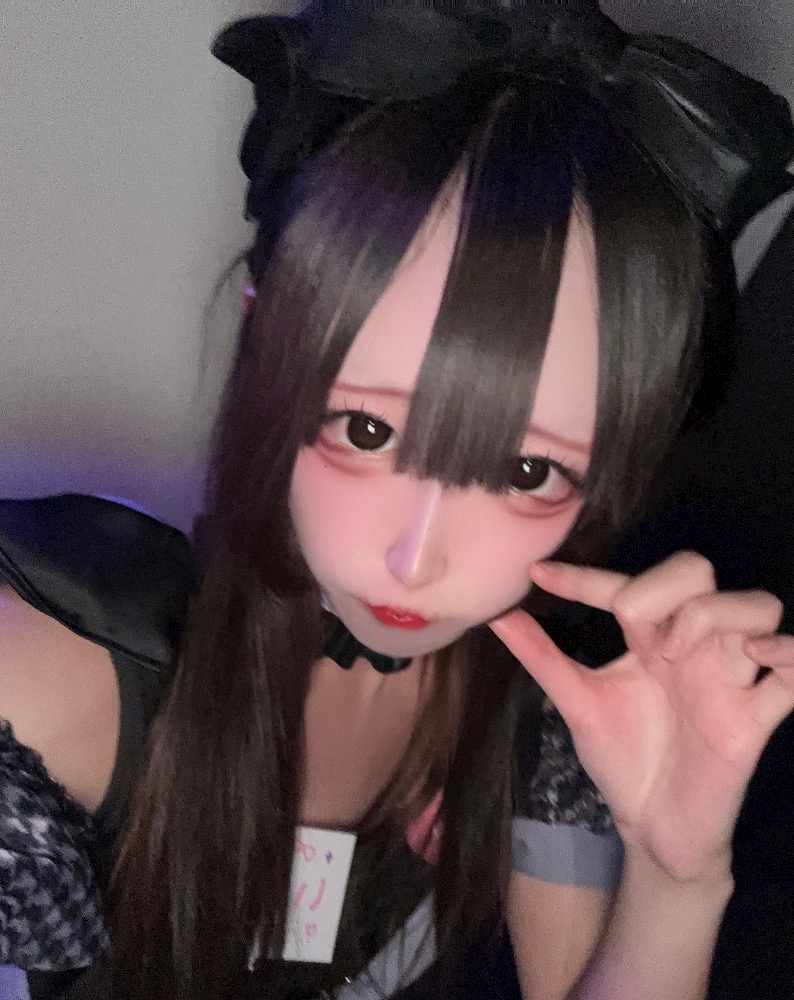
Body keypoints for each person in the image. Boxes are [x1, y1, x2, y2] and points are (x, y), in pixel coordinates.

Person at [1, 4, 793, 1000]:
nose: (416, 561)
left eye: (528, 473)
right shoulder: (59, 673)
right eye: (367, 431)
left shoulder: (543, 701)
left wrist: (675, 876)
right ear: (267, 341)